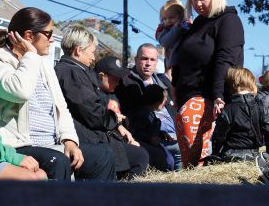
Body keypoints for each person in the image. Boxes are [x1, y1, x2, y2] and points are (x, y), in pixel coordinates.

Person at [0, 7, 115, 181]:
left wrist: (69, 141)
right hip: (19, 145)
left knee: (103, 155)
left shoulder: (43, 64)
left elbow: (62, 108)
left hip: (52, 143)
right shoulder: (1, 60)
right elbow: (20, 91)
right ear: (29, 36)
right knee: (58, 161)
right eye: (48, 34)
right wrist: (30, 55)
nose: (52, 40)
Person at [171, 0, 244, 166]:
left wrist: (219, 94)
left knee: (198, 160)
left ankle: (198, 182)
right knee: (189, 160)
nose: (197, 4)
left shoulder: (228, 20)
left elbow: (225, 59)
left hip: (211, 96)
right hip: (187, 94)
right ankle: (192, 183)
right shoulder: (198, 24)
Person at [55, 28, 149, 178]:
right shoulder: (72, 72)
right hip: (87, 139)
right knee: (139, 157)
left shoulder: (72, 70)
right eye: (92, 52)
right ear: (79, 50)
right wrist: (114, 120)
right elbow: (90, 111)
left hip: (88, 136)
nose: (94, 57)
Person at [115, 43, 178, 171]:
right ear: (136, 59)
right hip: (148, 137)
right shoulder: (125, 82)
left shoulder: (163, 81)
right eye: (144, 58)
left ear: (156, 62)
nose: (148, 63)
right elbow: (131, 120)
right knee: (178, 151)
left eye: (152, 59)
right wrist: (154, 136)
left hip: (172, 132)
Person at [211, 68, 269, 162]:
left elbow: (218, 139)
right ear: (251, 84)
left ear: (231, 86)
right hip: (254, 158)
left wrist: (215, 154)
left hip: (230, 159)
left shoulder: (227, 110)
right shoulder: (260, 107)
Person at [130, 84, 182, 171]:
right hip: (146, 144)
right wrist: (150, 138)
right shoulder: (142, 113)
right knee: (174, 152)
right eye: (163, 101)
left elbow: (151, 129)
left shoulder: (149, 112)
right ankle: (178, 173)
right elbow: (136, 133)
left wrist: (162, 134)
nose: (165, 103)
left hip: (155, 141)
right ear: (158, 102)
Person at [156, 2, 190, 68]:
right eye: (164, 19)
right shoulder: (163, 29)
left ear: (181, 16)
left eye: (171, 17)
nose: (168, 21)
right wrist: (176, 28)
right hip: (175, 63)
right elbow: (165, 42)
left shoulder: (186, 26)